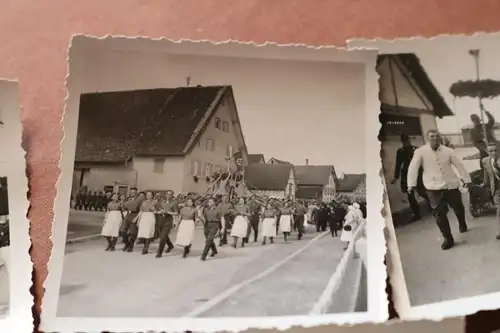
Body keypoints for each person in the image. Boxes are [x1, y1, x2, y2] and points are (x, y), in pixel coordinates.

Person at [407, 129, 472, 250]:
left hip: (451, 185)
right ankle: (448, 238)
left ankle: (462, 223)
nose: (435, 139)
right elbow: (413, 168)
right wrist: (411, 184)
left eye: (437, 136)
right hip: (433, 187)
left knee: (458, 207)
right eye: (432, 137)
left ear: (440, 138)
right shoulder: (420, 152)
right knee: (439, 214)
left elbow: (459, 165)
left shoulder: (448, 151)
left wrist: (467, 179)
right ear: (427, 138)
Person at [391, 134, 429, 221]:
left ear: (409, 140)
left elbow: (423, 162)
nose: (406, 142)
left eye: (407, 140)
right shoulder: (400, 151)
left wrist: (426, 172)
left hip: (418, 174)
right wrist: (396, 177)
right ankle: (417, 214)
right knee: (410, 195)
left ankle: (432, 205)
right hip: (406, 175)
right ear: (402, 142)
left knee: (422, 192)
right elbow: (398, 164)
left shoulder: (416, 149)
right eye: (404, 141)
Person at [481, 142, 500, 240]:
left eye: (495, 150)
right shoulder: (485, 161)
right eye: (491, 151)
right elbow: (487, 174)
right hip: (497, 189)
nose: (494, 153)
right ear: (487, 152)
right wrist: (484, 184)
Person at [155, 190, 178, 258]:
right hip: (160, 220)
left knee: (162, 237)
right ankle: (170, 245)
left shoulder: (174, 203)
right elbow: (158, 210)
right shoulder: (162, 202)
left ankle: (159, 252)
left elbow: (176, 213)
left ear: (172, 195)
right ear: (165, 195)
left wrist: (167, 212)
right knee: (163, 235)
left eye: (170, 194)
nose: (168, 195)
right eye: (167, 194)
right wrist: (159, 212)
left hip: (168, 221)